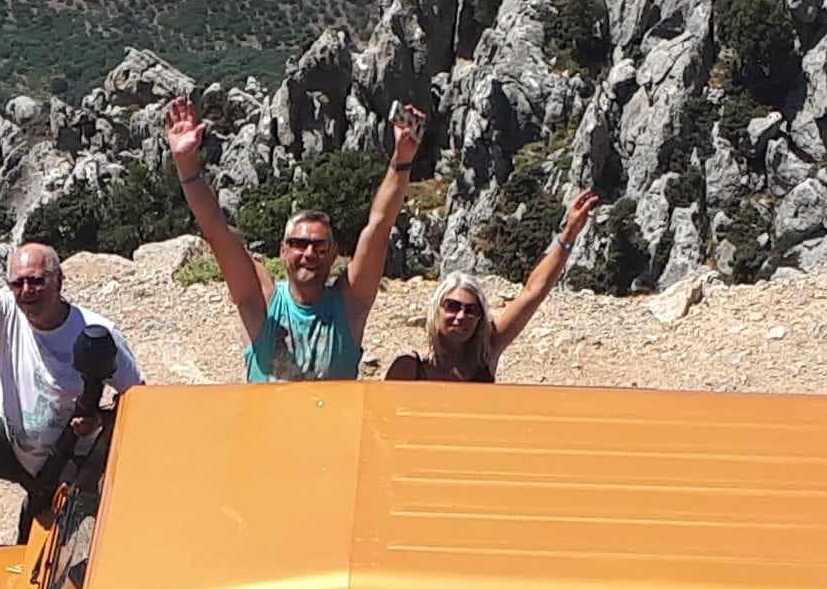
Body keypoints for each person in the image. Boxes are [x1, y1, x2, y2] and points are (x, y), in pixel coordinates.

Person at [0, 211, 143, 548]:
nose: (26, 291)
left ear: (58, 281)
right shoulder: (5, 312)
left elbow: (139, 402)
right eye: (18, 284)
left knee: (60, 555)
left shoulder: (97, 333)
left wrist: (100, 421)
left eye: (36, 281)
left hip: (74, 464)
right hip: (15, 448)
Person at [163, 95, 427, 383]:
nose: (309, 253)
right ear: (283, 250)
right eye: (299, 244)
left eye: (319, 246)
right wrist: (186, 166)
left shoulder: (349, 304)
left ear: (334, 253)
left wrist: (401, 161)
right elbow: (217, 232)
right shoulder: (261, 300)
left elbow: (378, 228)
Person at [385, 190, 600, 382]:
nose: (461, 316)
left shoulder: (487, 350)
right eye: (452, 306)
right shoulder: (410, 367)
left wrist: (569, 234)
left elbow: (532, 293)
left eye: (472, 310)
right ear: (436, 309)